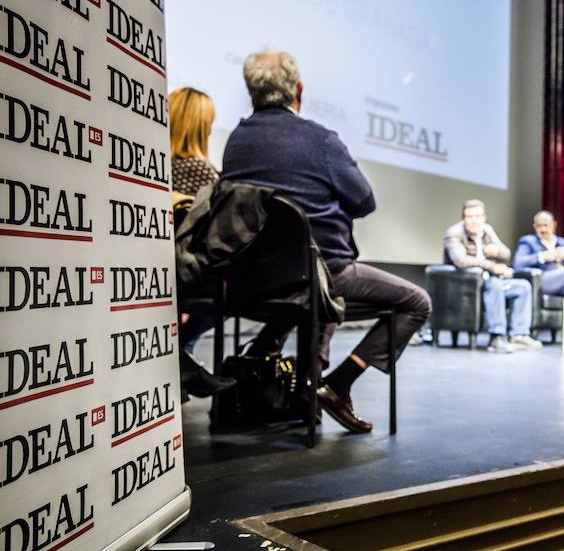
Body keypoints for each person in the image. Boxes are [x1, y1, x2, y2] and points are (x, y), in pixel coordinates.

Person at [220, 50, 431, 433]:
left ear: (251, 91)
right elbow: (364, 200)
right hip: (321, 273)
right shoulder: (319, 140)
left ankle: (301, 390)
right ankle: (339, 383)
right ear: (298, 89)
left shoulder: (237, 141)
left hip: (249, 280)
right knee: (417, 302)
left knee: (321, 294)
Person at [168, 87, 236, 401]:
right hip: (193, 272)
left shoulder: (157, 168)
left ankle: (180, 358)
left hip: (164, 268)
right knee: (232, 291)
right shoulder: (205, 173)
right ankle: (178, 355)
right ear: (201, 126)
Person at [443, 200, 542, 352]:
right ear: (463, 218)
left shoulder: (486, 230)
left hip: (488, 281)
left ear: (484, 217)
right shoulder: (454, 233)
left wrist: (496, 252)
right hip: (466, 286)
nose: (474, 220)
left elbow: (506, 253)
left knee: (523, 286)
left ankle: (519, 334)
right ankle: (496, 337)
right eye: (469, 217)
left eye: (477, 216)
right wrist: (493, 267)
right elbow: (460, 260)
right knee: (495, 285)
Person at [513, 211, 564, 347]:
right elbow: (518, 263)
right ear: (534, 226)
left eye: (546, 225)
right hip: (543, 281)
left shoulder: (563, 242)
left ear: (554, 225)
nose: (543, 229)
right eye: (539, 226)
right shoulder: (528, 241)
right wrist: (543, 256)